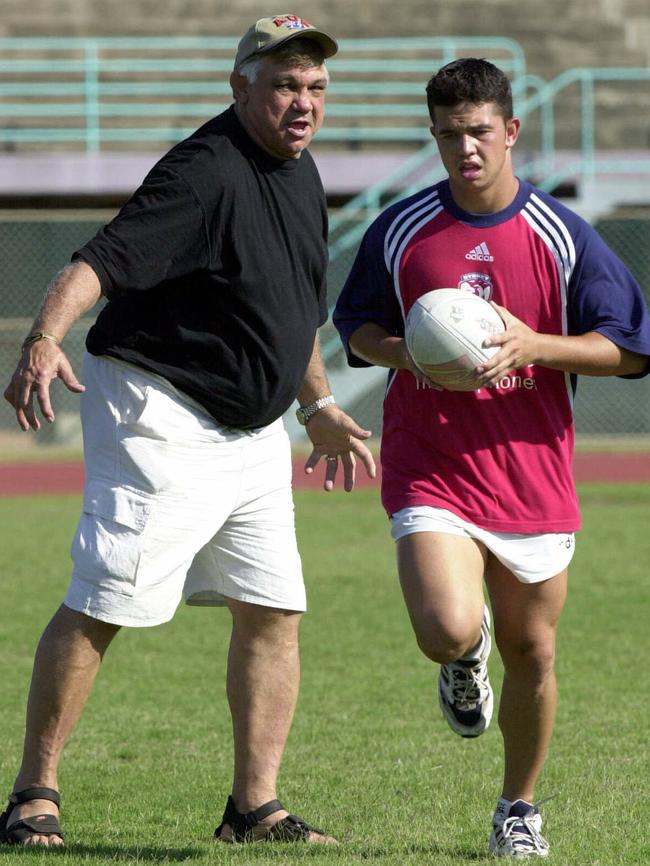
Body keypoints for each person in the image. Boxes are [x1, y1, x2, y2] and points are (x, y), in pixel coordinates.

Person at [1, 14, 376, 848]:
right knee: (107, 597)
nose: (303, 102)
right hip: (160, 409)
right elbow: (97, 260)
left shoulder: (302, 172)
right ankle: (32, 795)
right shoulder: (204, 171)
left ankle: (254, 808)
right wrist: (41, 339)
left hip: (251, 430)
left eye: (315, 86)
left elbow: (291, 312)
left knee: (275, 607)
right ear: (240, 87)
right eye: (284, 84)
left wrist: (316, 406)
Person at [334, 58, 650, 858]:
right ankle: (459, 657)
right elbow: (360, 328)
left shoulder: (561, 234)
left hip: (530, 469)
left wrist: (535, 344)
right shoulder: (401, 230)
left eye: (478, 132)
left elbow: (630, 349)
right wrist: (412, 357)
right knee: (447, 627)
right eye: (447, 136)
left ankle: (519, 807)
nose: (464, 149)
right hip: (431, 460)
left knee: (534, 652)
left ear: (511, 131)